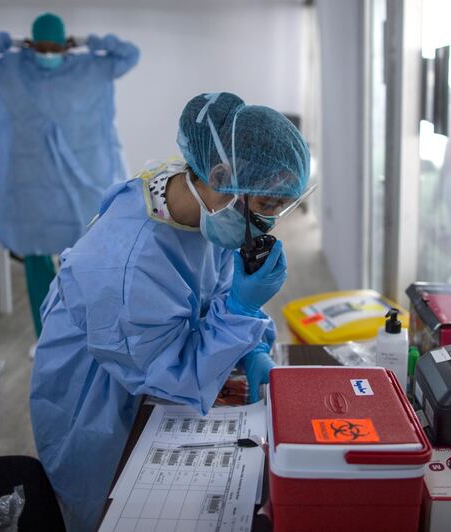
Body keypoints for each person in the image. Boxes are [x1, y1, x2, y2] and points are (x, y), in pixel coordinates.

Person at [29, 92, 311, 531]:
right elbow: (170, 372)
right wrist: (239, 309)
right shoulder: (128, 263)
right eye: (265, 207)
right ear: (219, 175)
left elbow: (211, 285)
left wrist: (249, 346)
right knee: (114, 511)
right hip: (102, 405)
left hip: (151, 371)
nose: (270, 223)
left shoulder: (191, 198)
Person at [0, 13, 139, 338]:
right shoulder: (9, 68)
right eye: (42, 47)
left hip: (79, 187)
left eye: (55, 47)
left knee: (83, 262)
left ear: (65, 43)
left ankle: (85, 333)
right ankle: (46, 336)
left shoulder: (88, 67)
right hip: (30, 187)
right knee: (37, 261)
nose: (48, 53)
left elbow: (128, 54)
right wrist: (5, 41)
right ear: (30, 43)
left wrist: (88, 42)